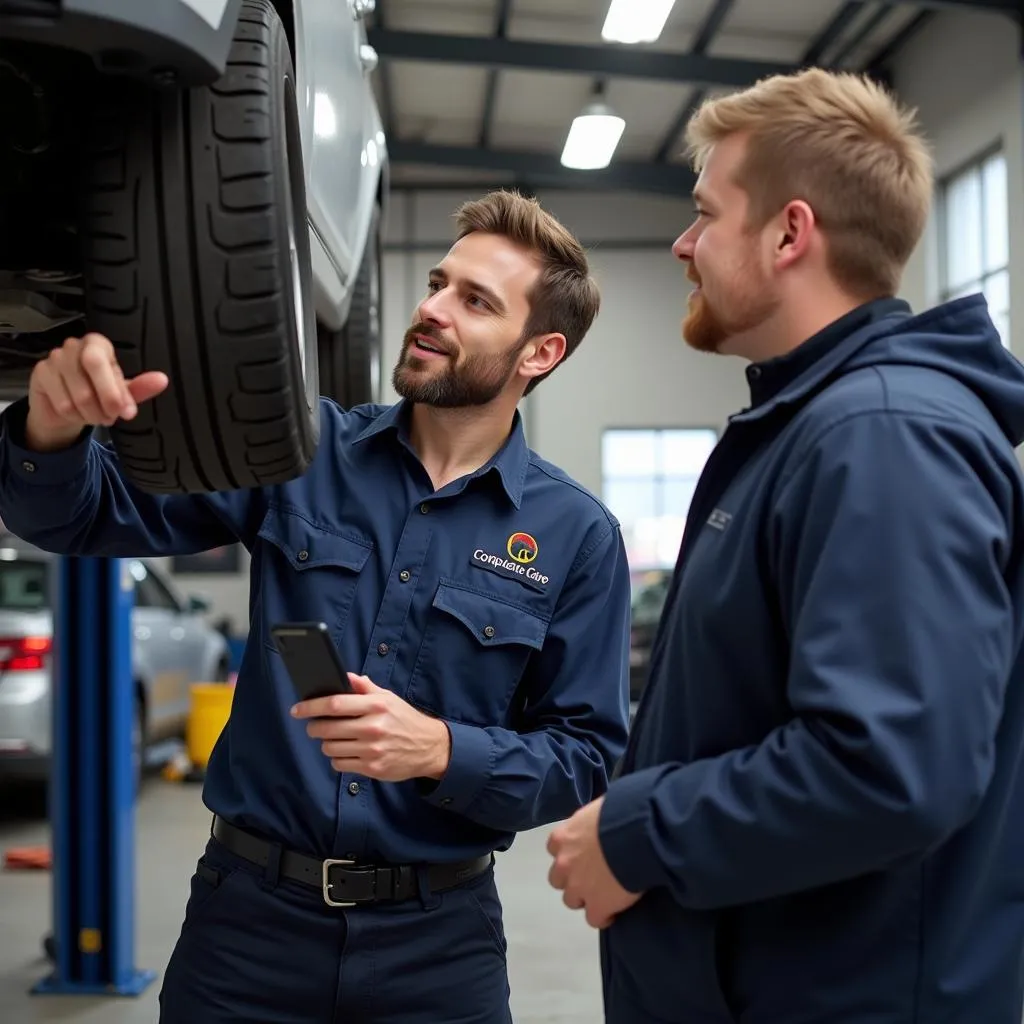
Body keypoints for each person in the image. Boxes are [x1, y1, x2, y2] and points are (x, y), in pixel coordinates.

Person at [0, 189, 632, 1023]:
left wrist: (441, 749)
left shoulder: (575, 534)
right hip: (247, 927)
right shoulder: (302, 449)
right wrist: (52, 432)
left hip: (438, 945)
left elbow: (586, 756)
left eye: (474, 301)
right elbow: (84, 516)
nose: (432, 310)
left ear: (539, 352)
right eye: (438, 284)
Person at [546, 67, 1024, 1024]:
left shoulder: (881, 436)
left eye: (703, 215)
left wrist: (638, 832)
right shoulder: (818, 428)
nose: (683, 245)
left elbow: (890, 767)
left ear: (789, 233)